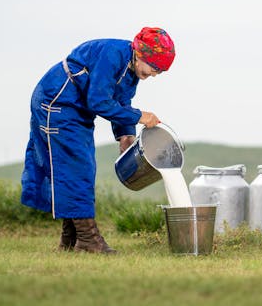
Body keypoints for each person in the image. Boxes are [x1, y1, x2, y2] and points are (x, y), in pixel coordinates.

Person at [20, 27, 175, 254]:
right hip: (57, 102)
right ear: (142, 53)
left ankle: (70, 239)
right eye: (155, 67)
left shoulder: (131, 68)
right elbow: (99, 101)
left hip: (76, 109)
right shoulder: (112, 55)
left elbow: (121, 100)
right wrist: (140, 116)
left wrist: (125, 134)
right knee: (77, 167)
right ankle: (89, 240)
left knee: (76, 169)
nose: (154, 74)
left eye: (160, 72)